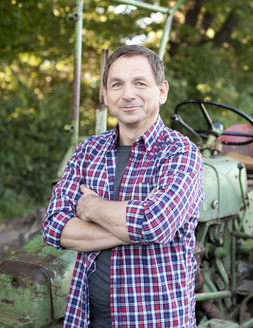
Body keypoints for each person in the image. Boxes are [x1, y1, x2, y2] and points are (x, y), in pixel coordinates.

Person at [43, 45, 204, 328]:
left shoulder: (180, 152)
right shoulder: (87, 151)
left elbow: (154, 224)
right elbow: (54, 226)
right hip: (86, 318)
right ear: (106, 95)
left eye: (140, 83)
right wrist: (133, 224)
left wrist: (89, 207)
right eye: (117, 84)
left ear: (162, 91)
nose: (128, 94)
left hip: (155, 320)